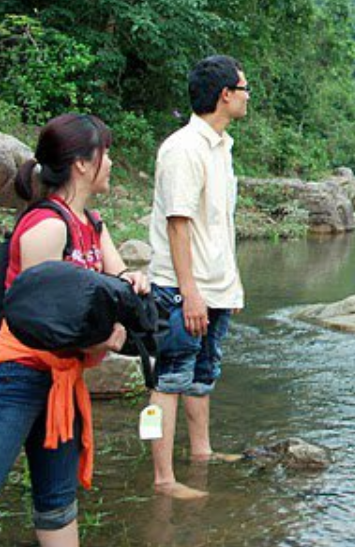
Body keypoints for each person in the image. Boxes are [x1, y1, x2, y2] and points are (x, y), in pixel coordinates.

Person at [0, 113, 149, 547]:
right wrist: (101, 338)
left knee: (57, 505)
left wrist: (135, 284)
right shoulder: (46, 226)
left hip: (63, 379)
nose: (111, 162)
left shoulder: (93, 226)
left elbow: (118, 288)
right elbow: (40, 321)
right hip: (18, 375)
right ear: (81, 163)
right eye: (105, 153)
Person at [146, 55, 249, 499]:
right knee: (167, 382)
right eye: (244, 88)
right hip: (180, 288)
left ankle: (201, 453)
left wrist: (229, 286)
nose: (248, 96)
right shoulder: (183, 148)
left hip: (214, 286)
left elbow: (218, 227)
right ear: (225, 94)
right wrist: (190, 294)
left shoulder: (220, 147)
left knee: (202, 375)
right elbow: (178, 223)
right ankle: (163, 479)